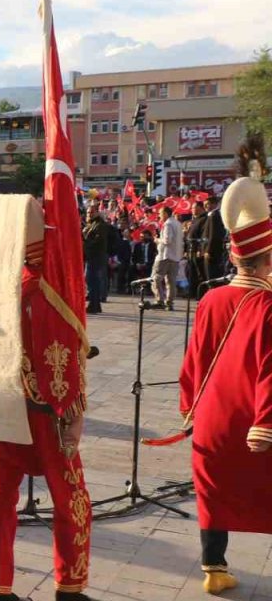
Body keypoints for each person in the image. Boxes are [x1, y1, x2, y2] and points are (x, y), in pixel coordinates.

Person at [0, 195, 92, 601]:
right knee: (71, 497)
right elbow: (60, 359)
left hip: (2, 408)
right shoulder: (45, 290)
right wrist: (74, 413)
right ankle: (69, 586)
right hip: (44, 413)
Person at [178, 173, 272, 596]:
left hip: (212, 418)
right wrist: (266, 423)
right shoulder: (269, 305)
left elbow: (194, 359)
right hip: (252, 419)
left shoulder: (212, 298)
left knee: (212, 493)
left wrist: (188, 407)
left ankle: (213, 568)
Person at [152, 206, 183, 310]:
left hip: (165, 256)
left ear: (165, 213)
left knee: (156, 278)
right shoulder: (177, 223)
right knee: (171, 281)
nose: (159, 215)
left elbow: (167, 240)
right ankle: (169, 303)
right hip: (175, 256)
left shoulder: (168, 224)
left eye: (160, 213)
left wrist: (157, 240)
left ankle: (159, 300)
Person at [81, 207, 111, 314]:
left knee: (93, 281)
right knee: (91, 281)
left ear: (97, 213)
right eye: (88, 212)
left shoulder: (100, 225)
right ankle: (95, 305)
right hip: (92, 256)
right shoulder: (91, 224)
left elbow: (97, 241)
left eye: (92, 212)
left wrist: (85, 242)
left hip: (97, 256)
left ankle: (94, 306)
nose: (89, 214)